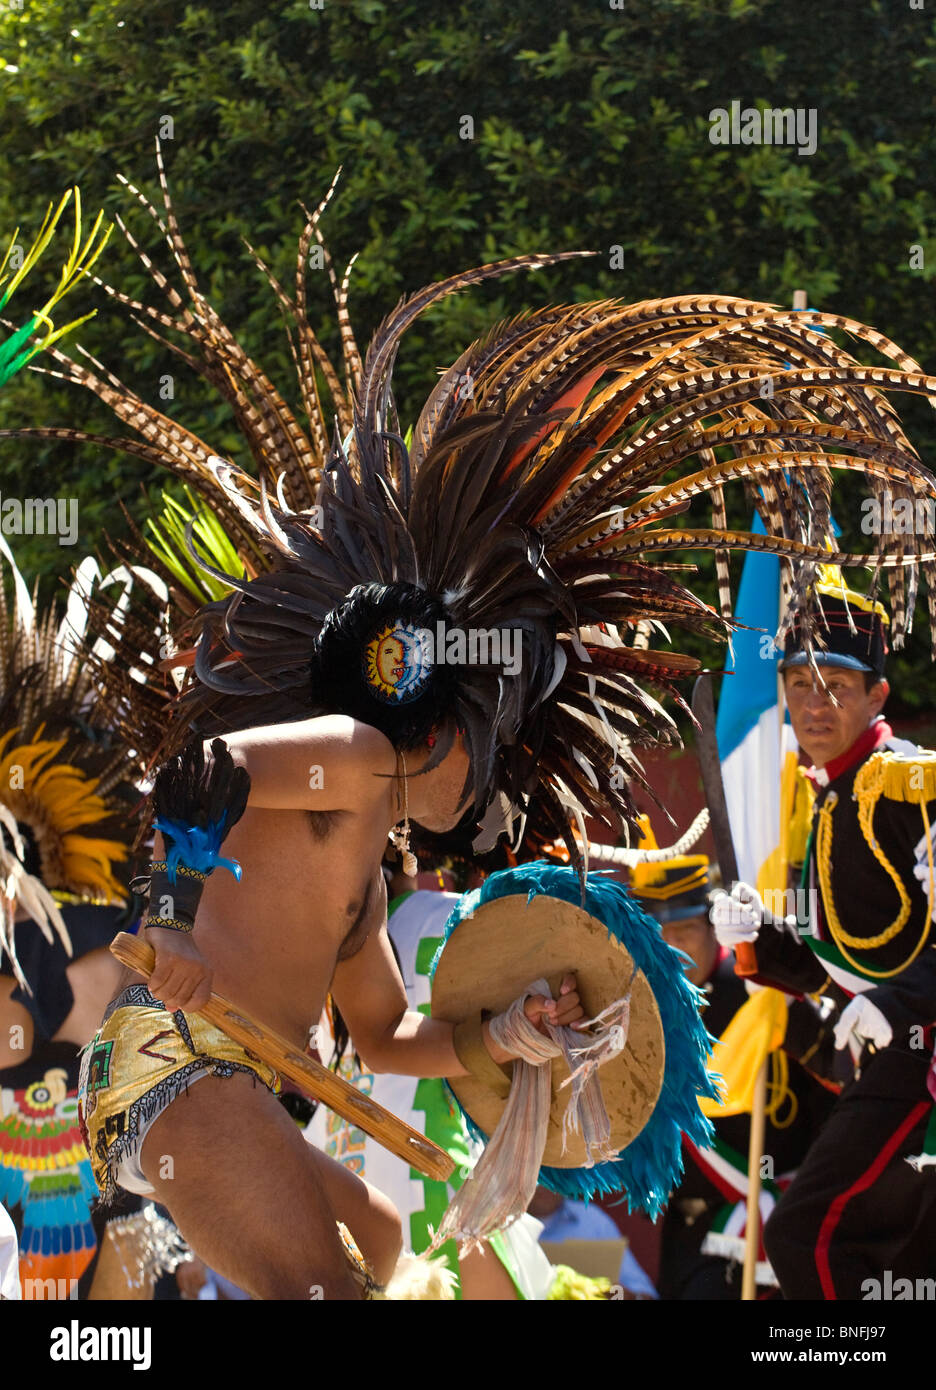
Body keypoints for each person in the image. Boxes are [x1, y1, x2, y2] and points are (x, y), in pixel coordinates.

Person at [32, 156, 933, 1299]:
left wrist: (504, 1034)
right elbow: (197, 768)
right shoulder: (355, 757)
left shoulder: (359, 873)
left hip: (247, 1085)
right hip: (177, 1069)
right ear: (436, 720)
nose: (494, 797)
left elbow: (394, 1035)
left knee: (391, 1245)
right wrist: (174, 922)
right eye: (494, 751)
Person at [711, 571, 936, 1299]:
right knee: (902, 1263)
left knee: (809, 1233)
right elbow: (838, 967)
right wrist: (759, 939)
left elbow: (898, 971)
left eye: (837, 684)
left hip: (918, 1054)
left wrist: (901, 1005)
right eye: (800, 684)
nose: (815, 702)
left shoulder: (903, 784)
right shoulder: (830, 792)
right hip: (882, 1055)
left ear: (877, 695)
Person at [629, 832, 837, 1298]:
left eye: (683, 929)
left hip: (782, 1214)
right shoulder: (639, 1008)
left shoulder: (758, 990)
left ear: (710, 927)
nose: (672, 947)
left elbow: (832, 1083)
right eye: (658, 934)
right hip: (693, 1220)